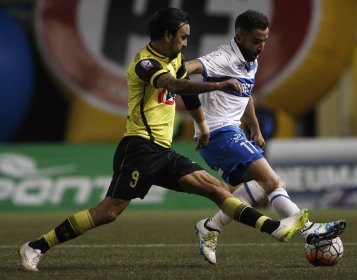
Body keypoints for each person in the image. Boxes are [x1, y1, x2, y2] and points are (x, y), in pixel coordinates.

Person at [19, 7, 311, 272]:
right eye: (182, 37)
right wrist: (219, 83)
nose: (185, 43)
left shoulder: (176, 61)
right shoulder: (145, 63)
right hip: (139, 148)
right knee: (107, 213)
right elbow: (173, 83)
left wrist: (202, 126)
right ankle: (35, 246)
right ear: (168, 35)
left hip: (163, 151)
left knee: (218, 188)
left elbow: (186, 92)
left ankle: (274, 228)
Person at [184, 9, 346, 265]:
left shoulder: (251, 60)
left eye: (264, 41)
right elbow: (186, 69)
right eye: (256, 41)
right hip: (217, 134)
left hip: (232, 133)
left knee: (269, 183)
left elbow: (245, 94)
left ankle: (211, 226)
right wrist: (172, 78)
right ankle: (310, 229)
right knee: (270, 180)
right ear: (239, 37)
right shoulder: (222, 57)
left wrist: (255, 129)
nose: (261, 47)